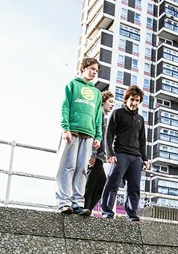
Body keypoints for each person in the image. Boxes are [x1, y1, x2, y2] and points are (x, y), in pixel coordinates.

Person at [55, 57, 103, 215]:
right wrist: (65, 128)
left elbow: (98, 116)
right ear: (83, 68)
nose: (94, 72)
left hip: (88, 135)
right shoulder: (72, 84)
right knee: (67, 167)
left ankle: (77, 204)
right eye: (92, 69)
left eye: (96, 71)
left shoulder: (97, 93)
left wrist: (98, 136)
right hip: (72, 132)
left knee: (82, 168)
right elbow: (65, 107)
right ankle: (63, 202)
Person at [100, 85, 149, 222]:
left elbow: (142, 140)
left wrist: (145, 158)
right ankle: (107, 212)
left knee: (134, 187)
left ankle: (131, 214)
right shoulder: (118, 113)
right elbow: (109, 135)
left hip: (136, 158)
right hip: (120, 154)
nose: (134, 103)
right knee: (113, 184)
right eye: (132, 99)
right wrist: (110, 154)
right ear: (126, 99)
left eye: (137, 100)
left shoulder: (140, 119)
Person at [83, 90, 115, 212]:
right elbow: (95, 135)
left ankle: (88, 209)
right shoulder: (99, 115)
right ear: (103, 102)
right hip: (96, 156)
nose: (112, 105)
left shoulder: (104, 117)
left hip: (100, 157)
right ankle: (84, 208)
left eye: (113, 102)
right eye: (110, 101)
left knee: (102, 185)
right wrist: (93, 154)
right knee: (90, 184)